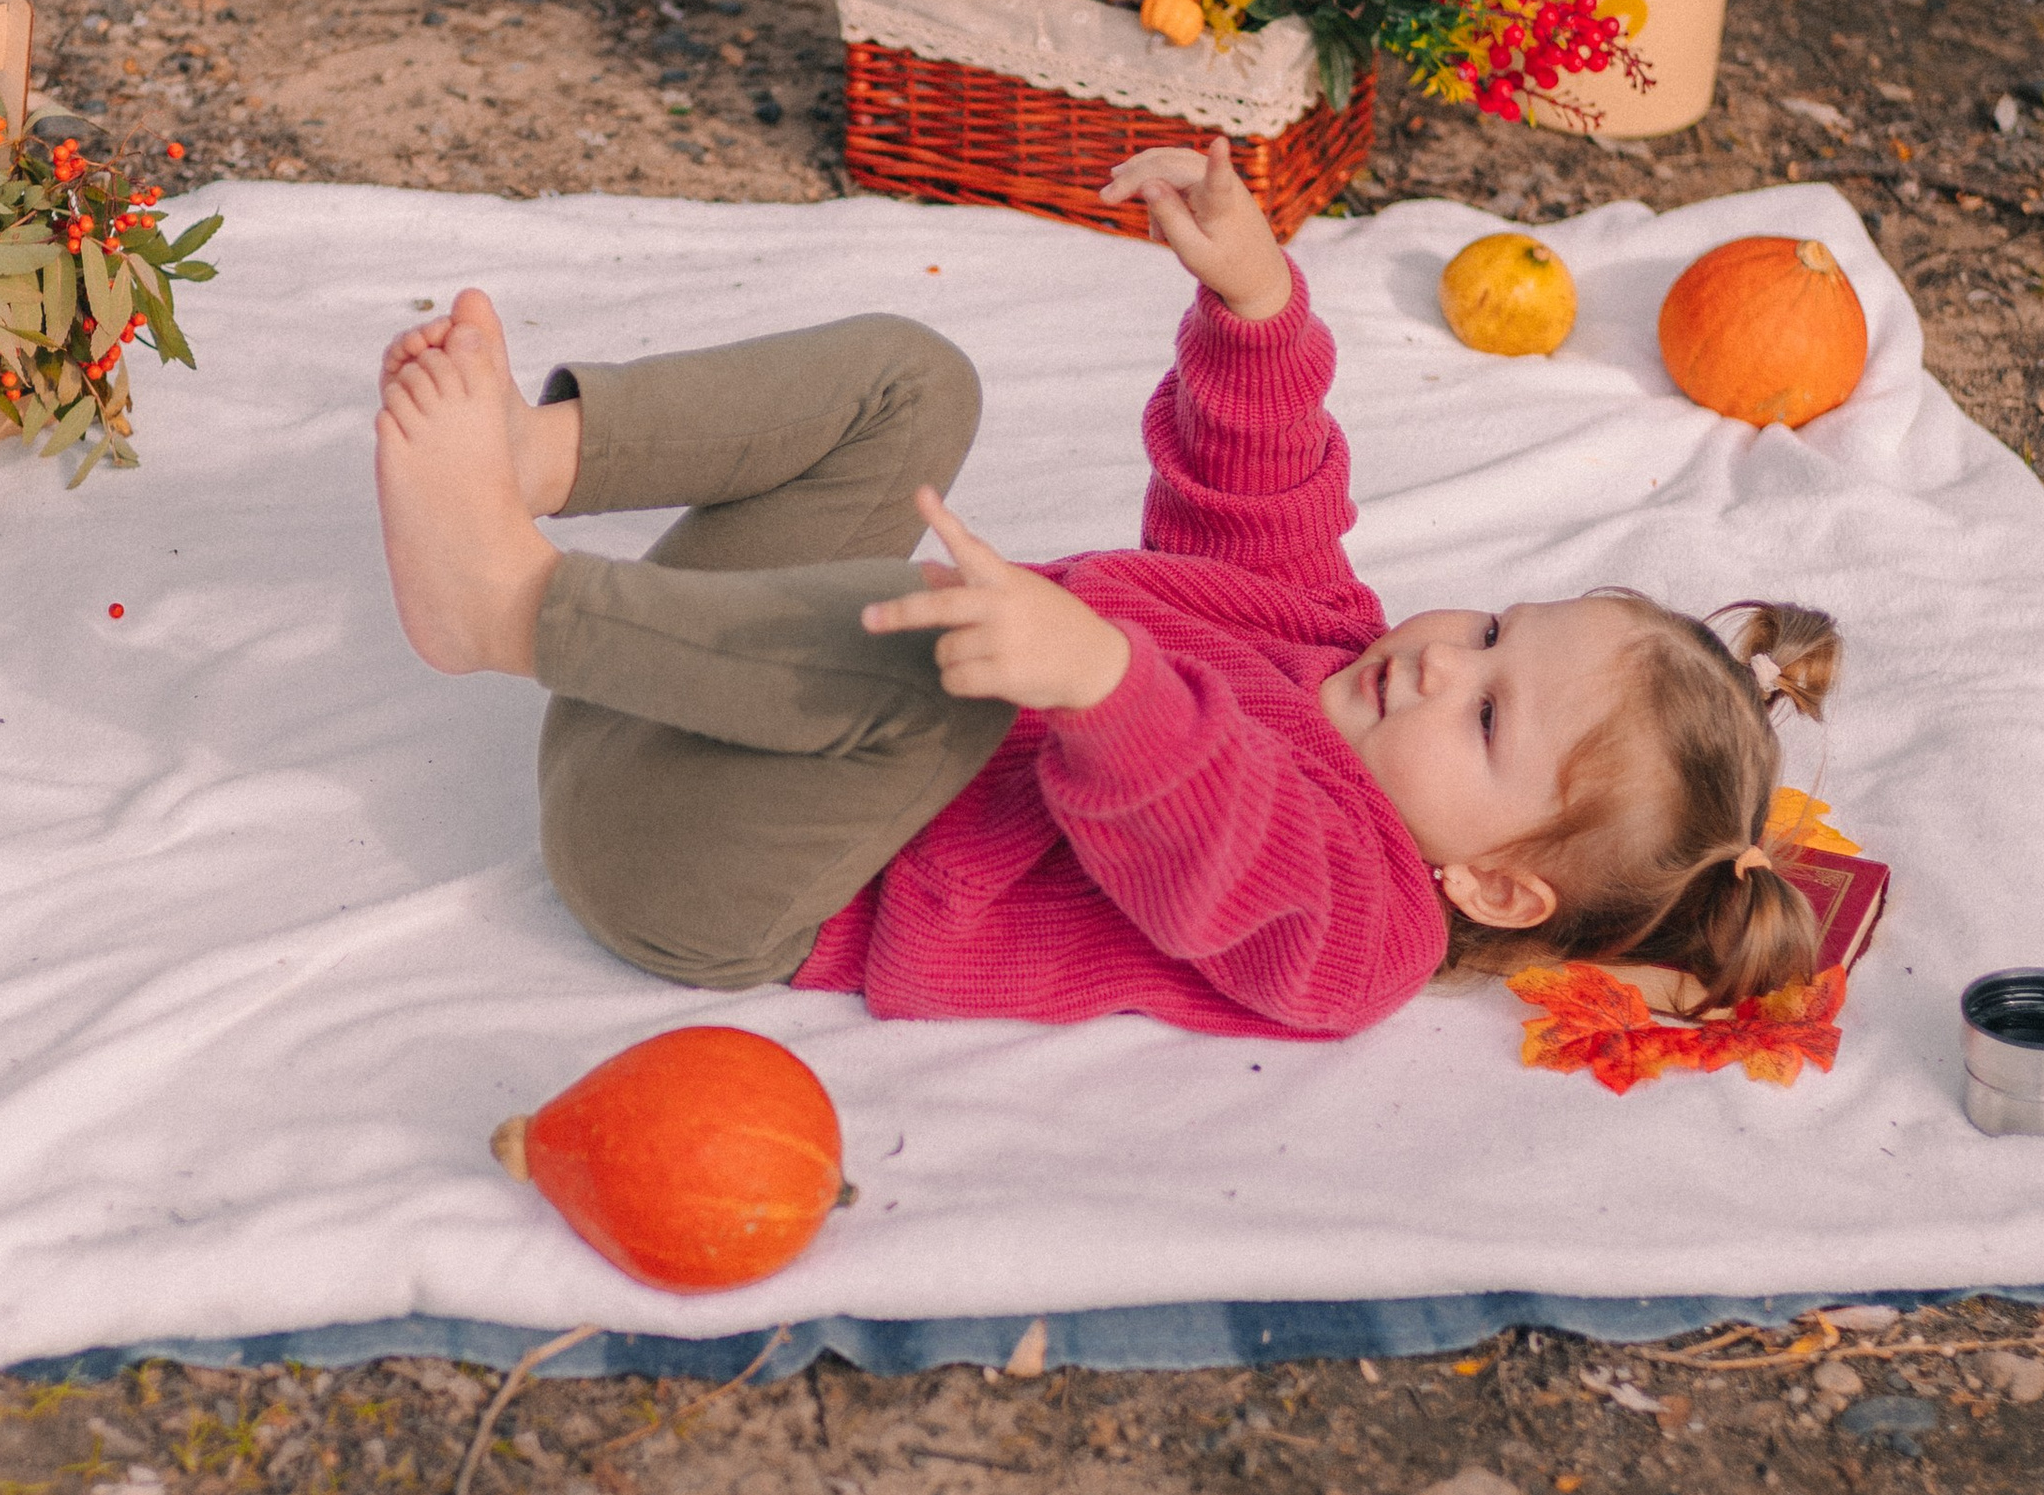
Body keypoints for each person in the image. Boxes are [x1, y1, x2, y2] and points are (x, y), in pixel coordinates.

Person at [372, 140, 1840, 1036]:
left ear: (1500, 884)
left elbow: (1219, 825)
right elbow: (1258, 485)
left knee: (958, 667)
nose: (1446, 659)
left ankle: (503, 607)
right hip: (673, 703)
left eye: (1490, 720)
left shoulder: (1364, 932)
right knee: (912, 381)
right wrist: (1255, 304)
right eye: (1497, 629)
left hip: (694, 869)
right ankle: (529, 461)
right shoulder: (1331, 640)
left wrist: (1102, 684)